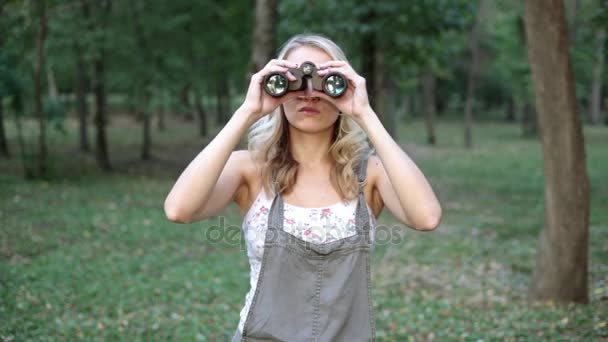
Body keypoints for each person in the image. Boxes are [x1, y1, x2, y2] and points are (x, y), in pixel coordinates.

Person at [164, 33, 442, 341]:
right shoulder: (252, 169)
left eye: (325, 80)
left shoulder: (368, 174)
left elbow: (426, 218)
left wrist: (364, 113)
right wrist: (248, 111)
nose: (309, 93)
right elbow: (179, 209)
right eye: (295, 78)